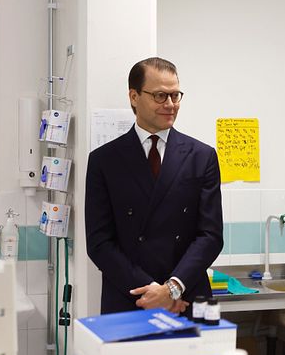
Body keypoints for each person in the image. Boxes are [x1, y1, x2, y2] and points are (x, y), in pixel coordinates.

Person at [85, 57, 223, 316]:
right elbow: (99, 243)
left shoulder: (201, 156)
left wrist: (171, 289)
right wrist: (151, 292)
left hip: (188, 295)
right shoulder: (105, 160)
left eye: (175, 95)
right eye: (160, 96)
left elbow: (211, 236)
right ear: (134, 96)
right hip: (130, 297)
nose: (170, 105)